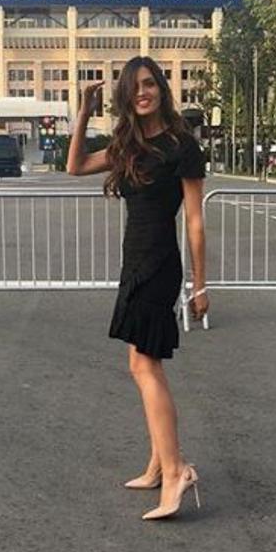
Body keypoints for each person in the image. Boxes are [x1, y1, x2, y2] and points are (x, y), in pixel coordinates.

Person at [67, 56, 209, 521]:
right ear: (126, 98)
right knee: (140, 364)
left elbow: (194, 220)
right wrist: (85, 113)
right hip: (134, 262)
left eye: (149, 84)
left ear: (162, 89)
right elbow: (75, 166)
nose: (142, 92)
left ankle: (175, 471)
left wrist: (199, 284)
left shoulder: (180, 145)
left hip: (159, 265)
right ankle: (157, 461)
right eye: (134, 88)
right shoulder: (128, 144)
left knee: (145, 366)